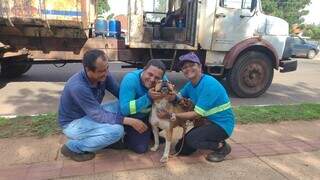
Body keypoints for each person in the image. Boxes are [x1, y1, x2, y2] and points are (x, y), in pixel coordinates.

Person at [57, 49, 143, 162]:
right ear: (88, 70)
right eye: (102, 71)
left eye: (107, 68)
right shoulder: (78, 86)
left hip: (91, 115)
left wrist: (141, 100)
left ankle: (107, 140)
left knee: (122, 105)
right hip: (73, 124)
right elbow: (99, 115)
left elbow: (120, 94)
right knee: (117, 131)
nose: (106, 73)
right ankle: (72, 147)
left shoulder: (104, 76)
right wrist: (130, 121)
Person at [157, 52, 235, 162]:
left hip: (221, 125)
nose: (188, 69)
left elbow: (196, 114)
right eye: (184, 67)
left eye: (191, 65)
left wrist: (171, 114)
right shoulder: (191, 84)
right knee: (181, 148)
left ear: (199, 66)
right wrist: (170, 95)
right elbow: (179, 97)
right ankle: (205, 138)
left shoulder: (209, 84)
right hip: (207, 122)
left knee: (192, 140)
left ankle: (221, 146)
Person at [119, 59, 169, 154]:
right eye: (150, 74)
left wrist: (175, 98)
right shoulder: (130, 79)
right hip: (133, 118)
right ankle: (124, 137)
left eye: (157, 78)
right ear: (143, 69)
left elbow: (171, 95)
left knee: (168, 117)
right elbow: (124, 110)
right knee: (140, 148)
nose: (152, 79)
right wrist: (148, 97)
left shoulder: (163, 81)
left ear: (162, 78)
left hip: (148, 116)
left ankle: (150, 133)